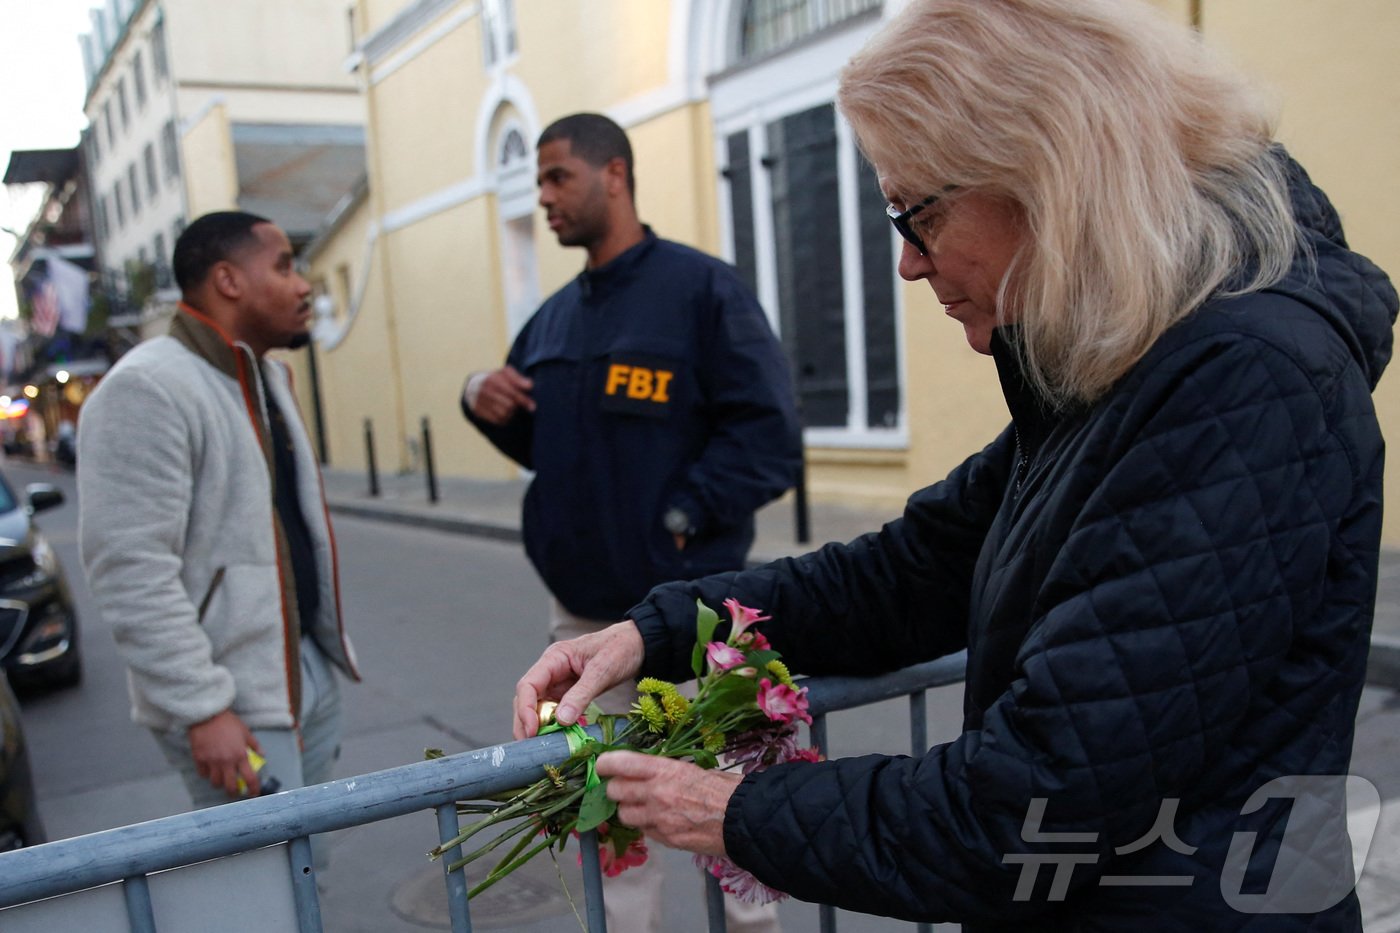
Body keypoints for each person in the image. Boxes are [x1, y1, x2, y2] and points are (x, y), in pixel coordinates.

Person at [511, 1, 1398, 929]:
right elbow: (914, 570)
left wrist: (729, 810)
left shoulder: (1236, 381)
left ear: (1044, 174)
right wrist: (660, 629)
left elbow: (1029, 802)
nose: (906, 263)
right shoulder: (1130, 363)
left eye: (915, 213)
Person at [462, 113, 801, 931]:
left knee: (735, 833)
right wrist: (481, 398)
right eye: (537, 182)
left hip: (696, 618)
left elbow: (769, 439)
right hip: (583, 626)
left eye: (556, 177)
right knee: (612, 836)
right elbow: (541, 436)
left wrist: (683, 515)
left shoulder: (702, 292)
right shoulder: (552, 318)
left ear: (613, 174)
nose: (541, 197)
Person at [77, 211, 359, 826]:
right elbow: (128, 566)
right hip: (231, 700)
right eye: (284, 266)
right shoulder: (147, 388)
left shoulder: (259, 376)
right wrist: (202, 708)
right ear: (228, 280)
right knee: (260, 900)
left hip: (297, 676)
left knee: (308, 879)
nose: (303, 284)